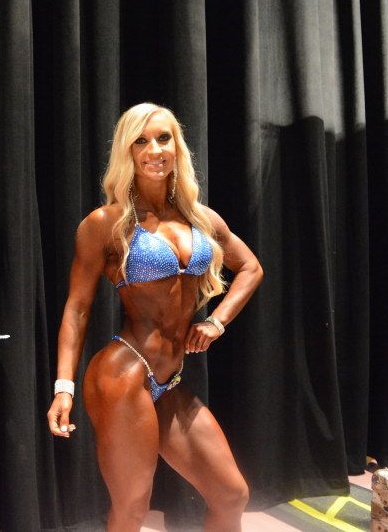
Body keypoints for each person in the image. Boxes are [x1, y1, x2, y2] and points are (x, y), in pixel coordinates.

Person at [47, 103, 263, 531]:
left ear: (177, 146)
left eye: (164, 138)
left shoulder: (201, 219)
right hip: (123, 375)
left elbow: (251, 268)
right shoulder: (106, 223)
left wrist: (216, 321)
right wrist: (63, 387)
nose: (154, 150)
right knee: (132, 508)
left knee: (231, 494)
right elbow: (77, 308)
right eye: (141, 141)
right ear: (126, 151)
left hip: (169, 381)